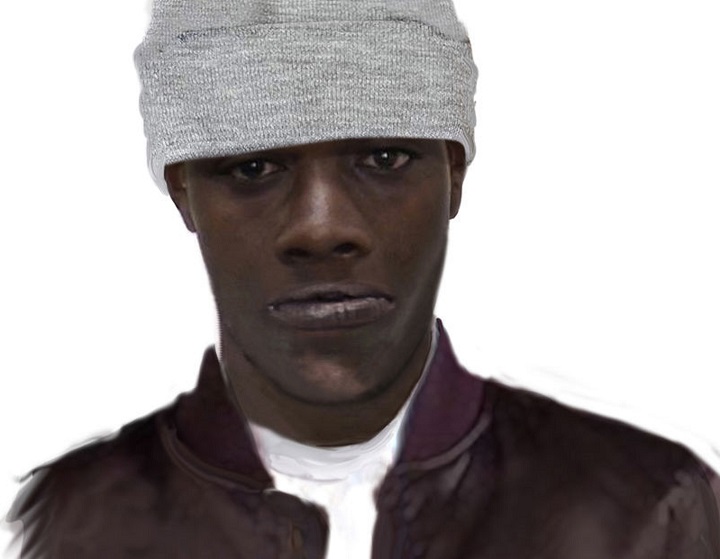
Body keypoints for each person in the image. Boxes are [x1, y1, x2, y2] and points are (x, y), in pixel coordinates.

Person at [5, 0, 720, 558]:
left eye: (382, 158)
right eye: (253, 167)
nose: (321, 228)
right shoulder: (60, 526)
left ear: (454, 173)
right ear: (183, 192)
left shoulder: (648, 512)